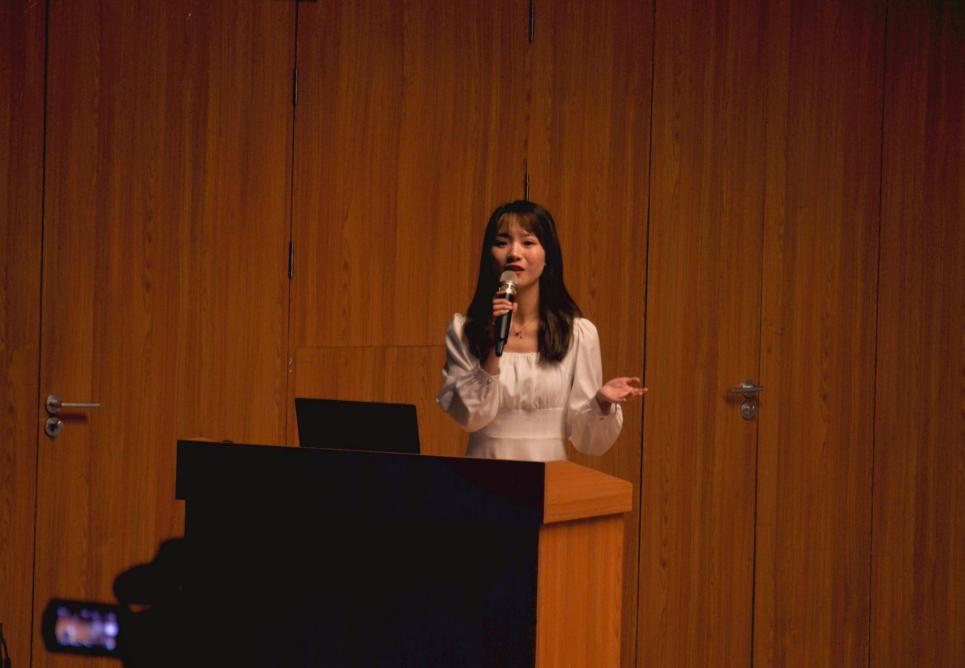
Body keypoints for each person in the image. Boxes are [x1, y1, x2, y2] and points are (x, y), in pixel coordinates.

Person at [437, 200, 646, 461]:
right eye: (502, 242)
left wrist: (601, 402)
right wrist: (492, 349)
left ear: (548, 256)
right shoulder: (464, 330)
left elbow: (587, 440)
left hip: (549, 476)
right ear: (489, 255)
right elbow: (468, 417)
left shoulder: (577, 334)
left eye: (528, 242)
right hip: (483, 474)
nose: (514, 252)